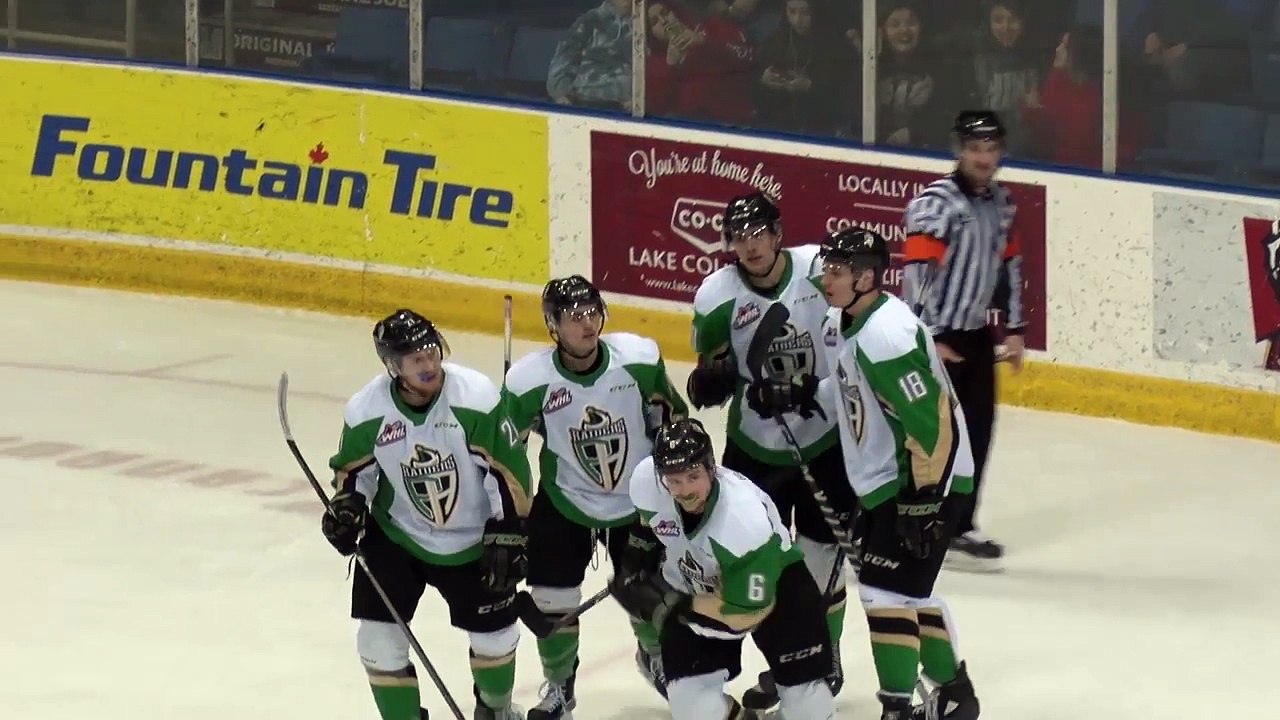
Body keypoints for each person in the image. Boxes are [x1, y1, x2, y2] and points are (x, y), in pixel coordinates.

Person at [754, 228, 981, 719]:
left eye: (837, 272)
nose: (827, 280)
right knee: (905, 594)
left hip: (924, 486)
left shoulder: (886, 336)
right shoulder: (849, 322)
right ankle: (954, 694)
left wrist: (922, 504)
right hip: (891, 487)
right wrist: (800, 391)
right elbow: (852, 392)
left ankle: (899, 707)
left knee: (885, 594)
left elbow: (932, 424)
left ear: (868, 277)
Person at [688, 191, 859, 706]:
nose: (750, 245)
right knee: (755, 562)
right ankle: (787, 664)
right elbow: (711, 369)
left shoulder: (816, 270)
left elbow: (853, 338)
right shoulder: (716, 296)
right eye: (740, 237)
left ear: (777, 233)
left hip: (822, 440)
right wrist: (713, 381)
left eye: (759, 233)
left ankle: (824, 658)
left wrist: (817, 391)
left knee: (820, 561)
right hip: (753, 449)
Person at [323, 309, 533, 720]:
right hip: (397, 536)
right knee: (377, 641)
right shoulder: (367, 411)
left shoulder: (475, 397)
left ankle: (495, 710)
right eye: (416, 358)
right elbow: (353, 473)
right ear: (393, 367)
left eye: (432, 351)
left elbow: (509, 471)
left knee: (496, 640)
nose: (429, 363)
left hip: (474, 540)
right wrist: (348, 507)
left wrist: (509, 529)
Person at [502, 276, 689, 718]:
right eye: (574, 317)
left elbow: (674, 421)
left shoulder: (638, 360)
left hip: (637, 501)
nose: (587, 324)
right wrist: (513, 518)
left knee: (649, 593)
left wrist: (675, 492)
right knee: (551, 601)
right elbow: (504, 453)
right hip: (565, 497)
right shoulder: (530, 381)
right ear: (553, 326)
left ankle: (656, 658)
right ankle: (560, 688)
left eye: (592, 313)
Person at [608, 418, 836, 720]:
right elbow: (648, 520)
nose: (684, 490)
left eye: (692, 476)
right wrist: (636, 556)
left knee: (810, 710)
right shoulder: (646, 481)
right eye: (673, 480)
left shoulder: (742, 521)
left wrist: (668, 605)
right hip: (693, 584)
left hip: (774, 586)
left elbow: (747, 613)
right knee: (694, 710)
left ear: (711, 467)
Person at [901, 109, 1025, 570]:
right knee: (933, 438)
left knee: (976, 434)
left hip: (974, 338)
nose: (983, 157)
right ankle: (911, 522)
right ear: (959, 151)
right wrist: (926, 336)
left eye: (991, 148)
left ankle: (958, 525)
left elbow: (1009, 269)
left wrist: (1012, 329)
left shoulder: (1002, 204)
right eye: (975, 148)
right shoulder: (936, 204)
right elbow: (917, 275)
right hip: (938, 335)